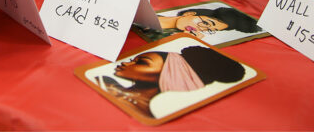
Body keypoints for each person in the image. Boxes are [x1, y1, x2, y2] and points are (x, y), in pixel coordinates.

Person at [100, 45, 246, 119]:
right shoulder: (103, 81)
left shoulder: (151, 113)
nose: (126, 63)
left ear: (172, 76)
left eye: (142, 63)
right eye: (133, 60)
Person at [139, 6, 260, 42]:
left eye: (210, 29)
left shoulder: (172, 37)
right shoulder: (142, 17)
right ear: (190, 13)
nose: (202, 28)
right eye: (207, 22)